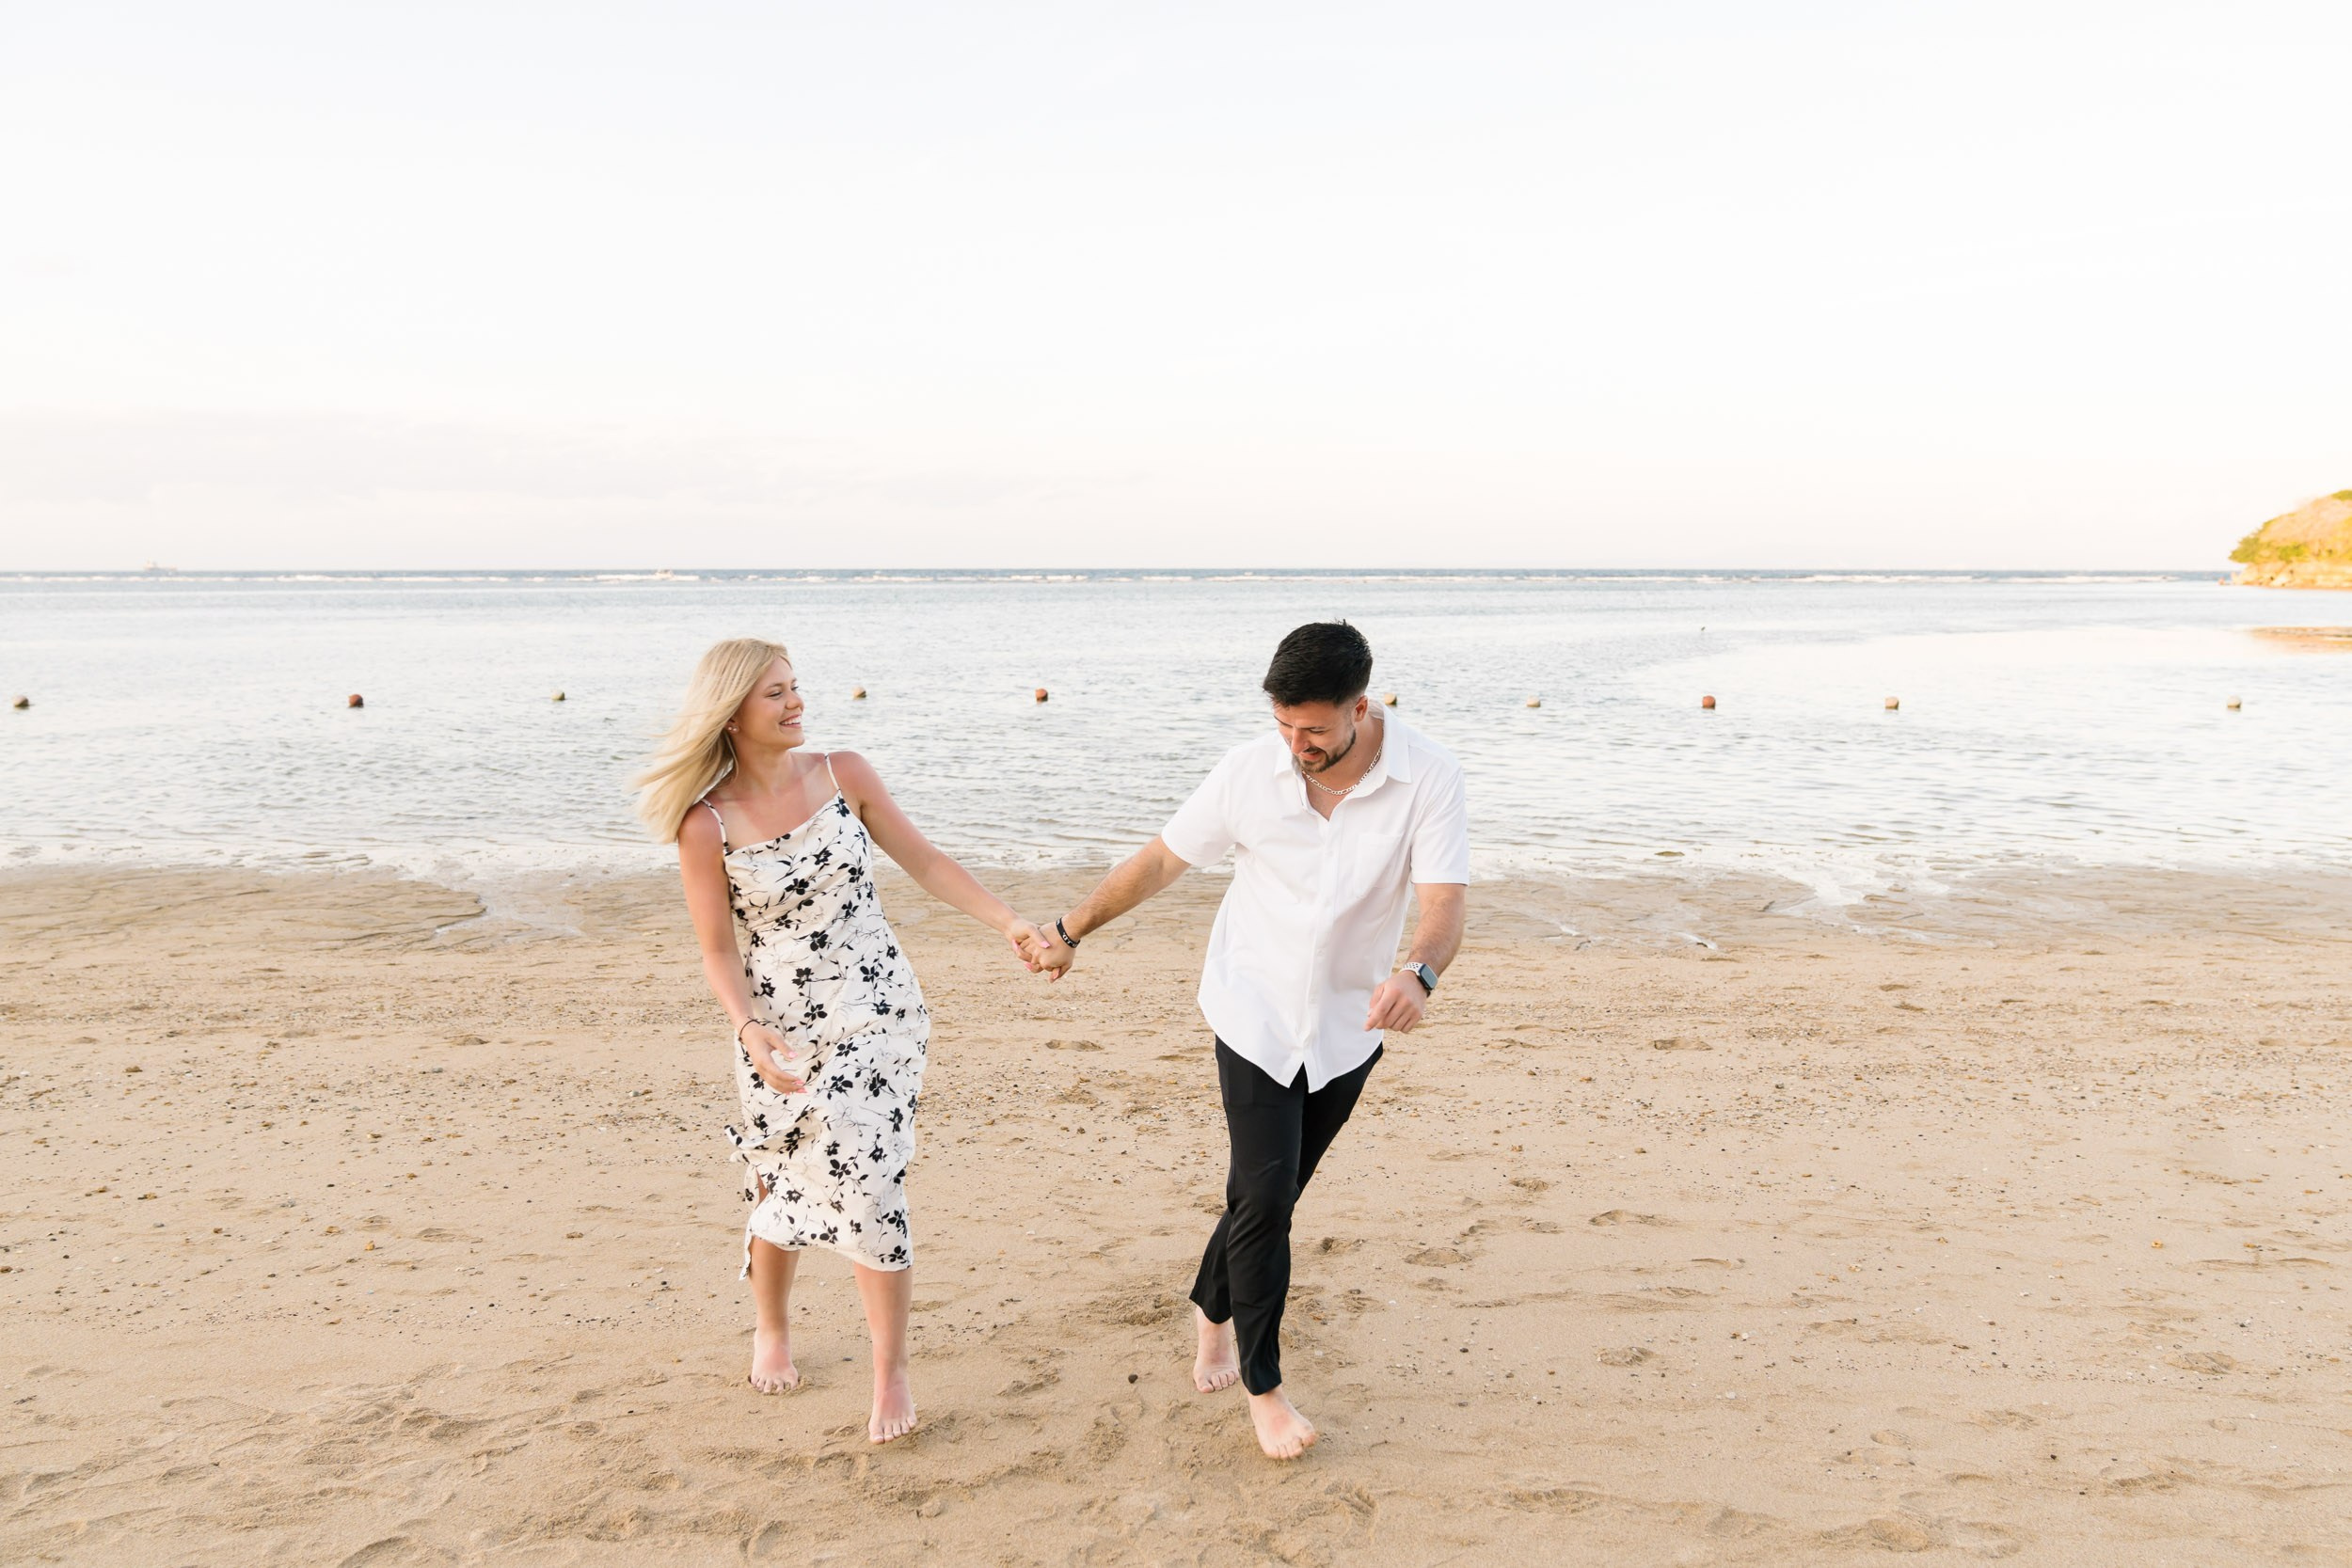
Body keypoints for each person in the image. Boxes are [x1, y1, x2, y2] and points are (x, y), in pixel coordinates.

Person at [1029, 621, 1468, 1459]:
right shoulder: (1247, 771)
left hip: (1349, 1026)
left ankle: (1210, 1306)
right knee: (1266, 1199)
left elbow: (1444, 902)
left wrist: (1418, 972)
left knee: (1266, 1194)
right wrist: (1070, 927)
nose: (1296, 745)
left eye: (1313, 730)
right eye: (1282, 726)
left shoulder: (1430, 775)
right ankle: (1264, 1388)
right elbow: (1161, 863)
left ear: (1359, 708)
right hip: (1253, 1011)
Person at [635, 637, 1045, 1444]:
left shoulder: (843, 773)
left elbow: (923, 860)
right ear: (730, 714)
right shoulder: (704, 823)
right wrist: (747, 1028)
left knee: (868, 1172)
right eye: (774, 694)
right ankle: (773, 1327)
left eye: (795, 687)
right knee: (777, 1175)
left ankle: (889, 1370)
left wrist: (1008, 920)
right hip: (778, 1028)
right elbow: (718, 949)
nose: (795, 703)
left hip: (881, 1011)